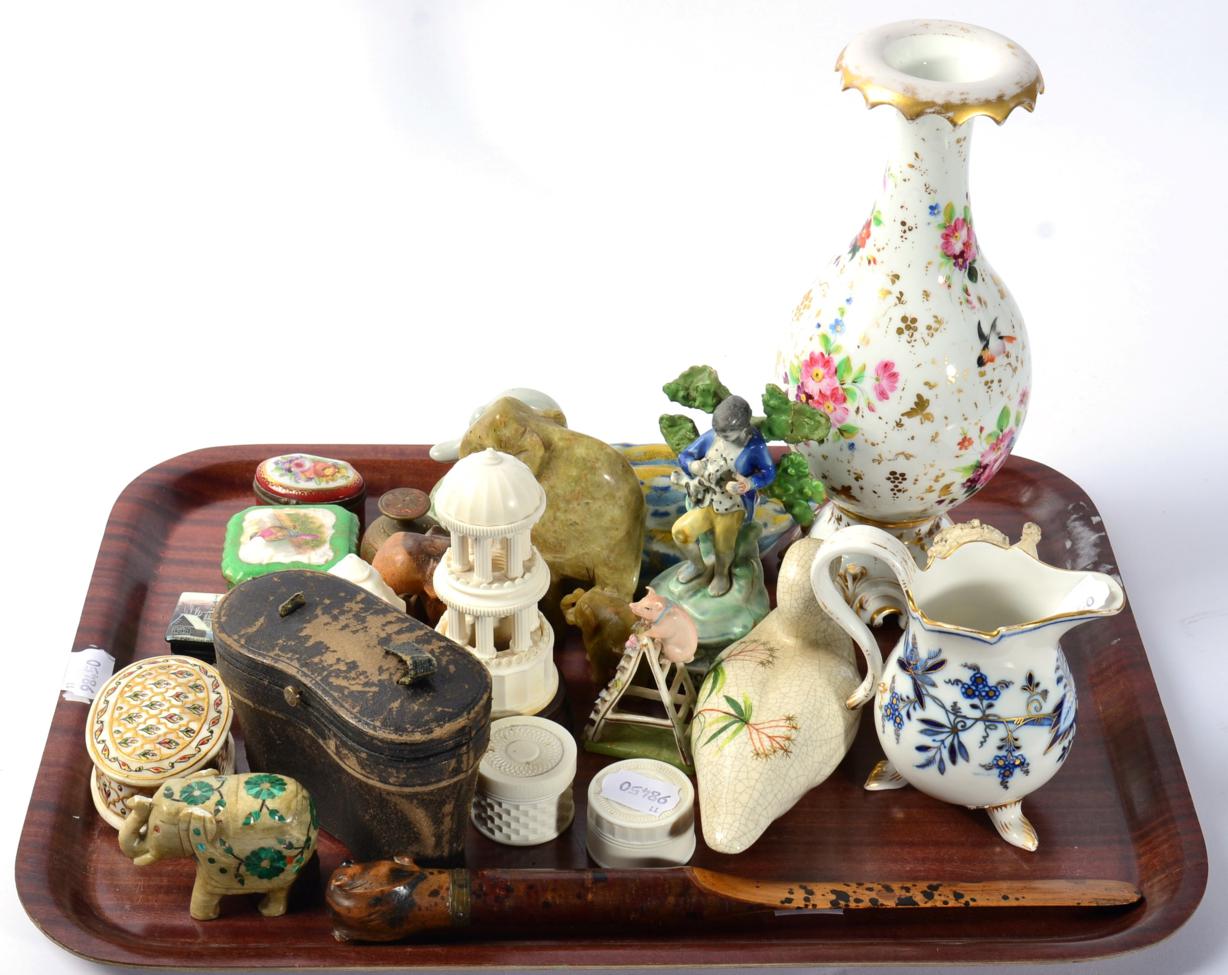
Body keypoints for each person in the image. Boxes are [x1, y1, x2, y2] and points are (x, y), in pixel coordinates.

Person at [672, 395, 776, 596]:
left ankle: (722, 574)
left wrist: (749, 483)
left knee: (723, 545)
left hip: (733, 507)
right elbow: (685, 455)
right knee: (680, 533)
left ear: (744, 428)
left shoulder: (755, 446)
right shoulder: (714, 435)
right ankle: (698, 566)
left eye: (727, 435)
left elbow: (768, 473)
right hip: (707, 500)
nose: (720, 437)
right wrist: (693, 465)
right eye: (718, 432)